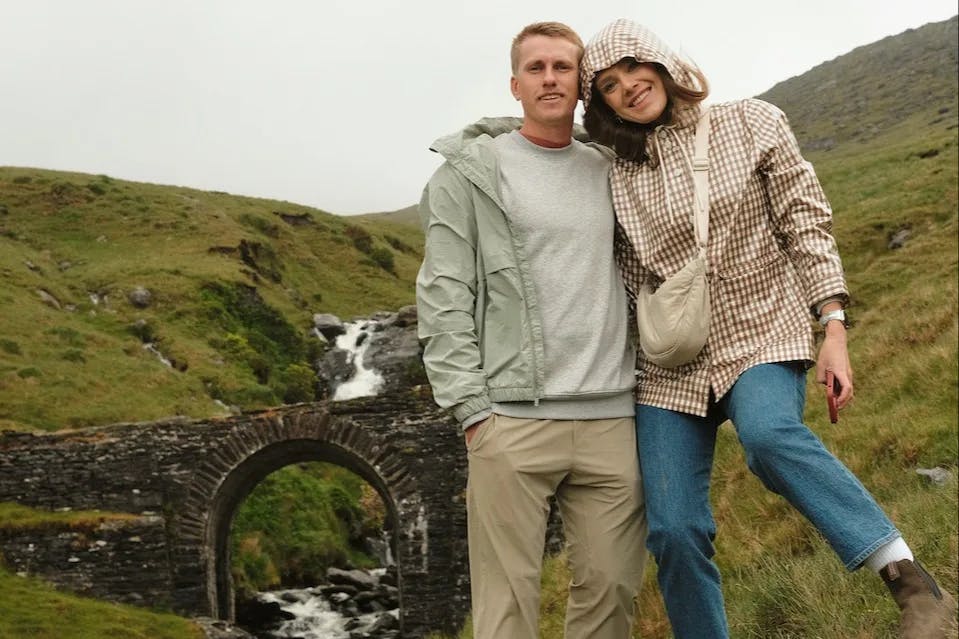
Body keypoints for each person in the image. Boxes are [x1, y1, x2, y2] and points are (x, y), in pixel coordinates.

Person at [578, 18, 957, 639]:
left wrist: (832, 327)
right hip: (670, 366)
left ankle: (912, 584)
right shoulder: (615, 172)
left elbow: (805, 223)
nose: (628, 88)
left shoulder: (751, 122)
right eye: (610, 86)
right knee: (673, 530)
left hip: (762, 328)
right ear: (602, 104)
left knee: (770, 436)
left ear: (660, 63)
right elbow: (620, 274)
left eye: (633, 69)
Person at [415, 20, 647, 639]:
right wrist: (472, 409)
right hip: (510, 419)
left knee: (612, 594)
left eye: (563, 67)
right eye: (537, 68)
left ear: (582, 85)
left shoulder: (612, 168)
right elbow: (443, 295)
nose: (550, 78)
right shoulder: (468, 174)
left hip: (612, 418)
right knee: (506, 606)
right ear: (515, 84)